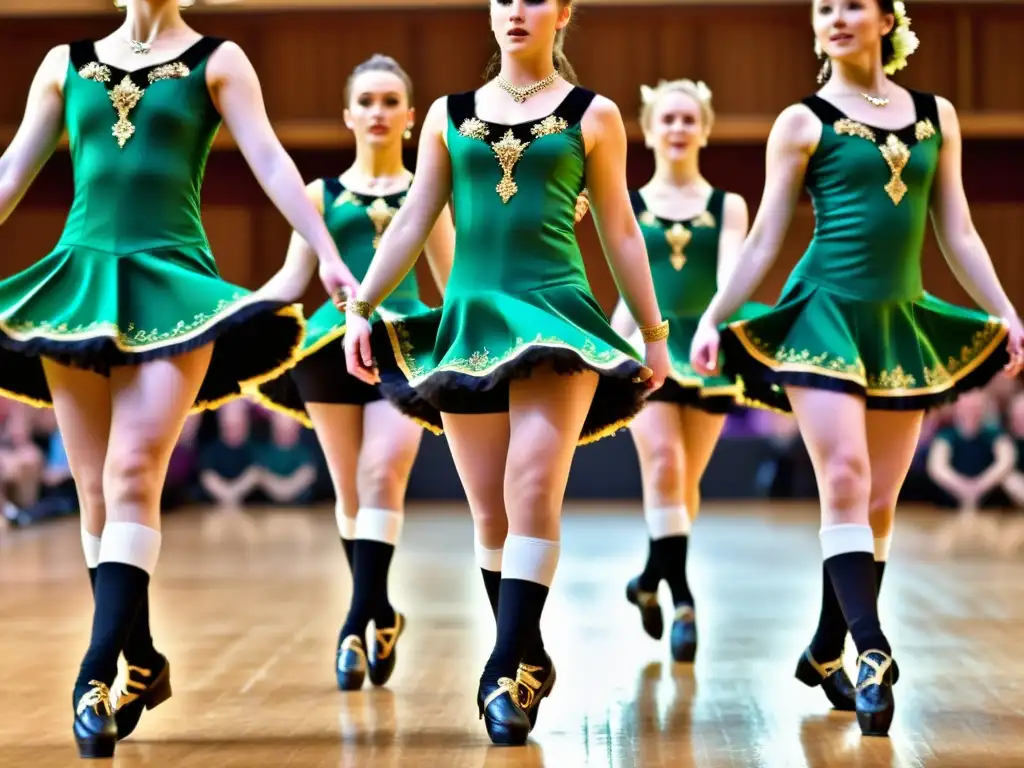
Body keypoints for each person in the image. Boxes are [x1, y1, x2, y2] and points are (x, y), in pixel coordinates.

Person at [0, 0, 359, 757]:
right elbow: (13, 168)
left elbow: (269, 159)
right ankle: (144, 659)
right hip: (79, 284)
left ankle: (94, 676)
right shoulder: (65, 65)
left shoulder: (218, 61)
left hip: (177, 287)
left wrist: (324, 248)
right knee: (96, 490)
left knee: (134, 472)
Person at [689, 0, 1024, 737]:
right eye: (823, 8)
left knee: (876, 506)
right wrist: (714, 315)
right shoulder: (801, 122)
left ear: (886, 19)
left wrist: (1006, 309)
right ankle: (872, 652)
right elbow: (764, 239)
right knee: (844, 478)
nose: (836, 17)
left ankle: (826, 645)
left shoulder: (937, 115)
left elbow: (959, 228)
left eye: (852, 5)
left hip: (898, 321)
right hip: (823, 315)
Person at [342, 0, 669, 746]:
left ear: (562, 13)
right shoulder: (448, 116)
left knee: (530, 488)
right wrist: (361, 305)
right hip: (470, 328)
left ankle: (501, 671)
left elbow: (619, 226)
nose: (515, 10)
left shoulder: (596, 115)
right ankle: (527, 651)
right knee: (490, 513)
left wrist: (653, 334)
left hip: (558, 320)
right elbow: (417, 214)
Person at [252, 54, 454, 692]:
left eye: (391, 101)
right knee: (348, 491)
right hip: (328, 347)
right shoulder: (319, 195)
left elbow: (450, 285)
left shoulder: (429, 192)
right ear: (348, 114)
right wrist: (224, 318)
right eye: (366, 100)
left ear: (410, 116)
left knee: (381, 472)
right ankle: (382, 610)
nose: (378, 111)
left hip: (405, 346)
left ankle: (356, 620)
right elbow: (291, 281)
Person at [608, 78, 763, 663]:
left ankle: (648, 579)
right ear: (648, 131)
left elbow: (730, 278)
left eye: (687, 118)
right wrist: (610, 347)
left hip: (705, 349)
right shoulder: (631, 205)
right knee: (666, 463)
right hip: (650, 348)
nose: (677, 128)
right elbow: (629, 292)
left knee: (684, 484)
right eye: (666, 119)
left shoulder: (729, 206)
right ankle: (684, 601)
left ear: (704, 127)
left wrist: (716, 325)